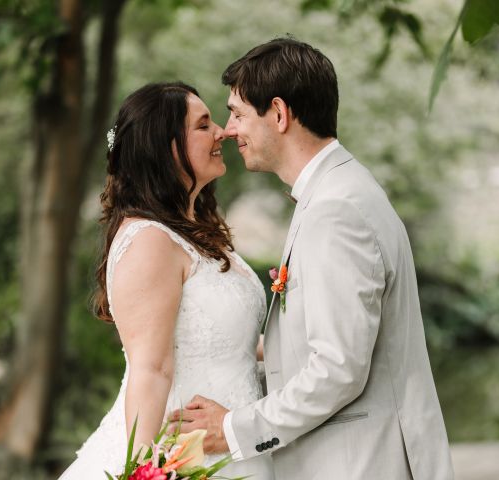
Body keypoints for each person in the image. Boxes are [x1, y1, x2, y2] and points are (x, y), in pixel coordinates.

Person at [170, 38, 455, 479]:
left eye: (238, 113)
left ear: (280, 114)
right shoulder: (338, 192)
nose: (228, 130)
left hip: (362, 463)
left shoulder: (335, 211)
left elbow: (338, 369)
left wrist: (233, 429)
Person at [58, 82, 274, 479]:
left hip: (235, 442)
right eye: (203, 125)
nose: (222, 133)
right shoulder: (150, 241)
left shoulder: (198, 232)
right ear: (165, 147)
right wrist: (144, 469)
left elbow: (228, 345)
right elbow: (151, 369)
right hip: (185, 457)